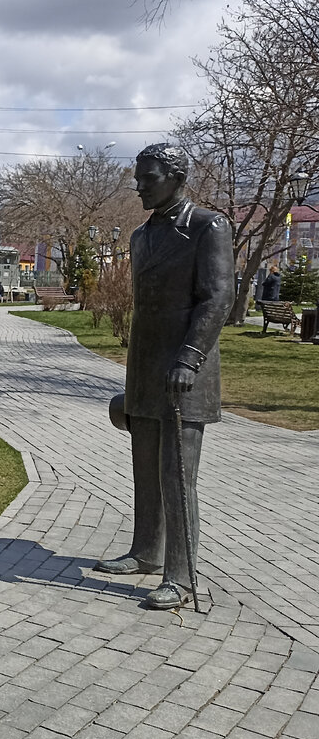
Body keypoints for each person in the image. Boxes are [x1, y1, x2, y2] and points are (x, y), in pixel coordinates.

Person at [94, 143, 234, 609]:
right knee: (145, 469)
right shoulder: (139, 235)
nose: (138, 186)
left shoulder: (207, 227)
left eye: (147, 178)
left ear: (175, 177)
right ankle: (145, 552)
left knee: (178, 477)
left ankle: (181, 575)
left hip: (184, 370)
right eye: (137, 178)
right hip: (146, 364)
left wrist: (189, 357)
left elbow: (216, 299)